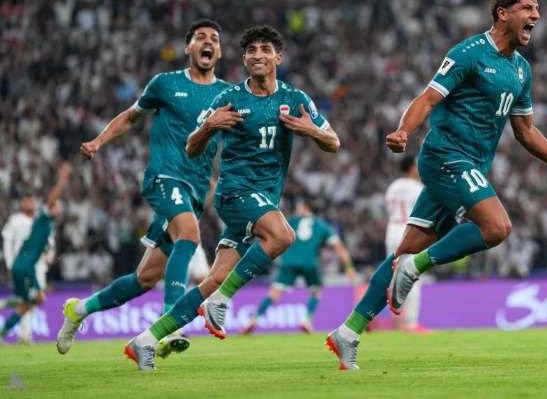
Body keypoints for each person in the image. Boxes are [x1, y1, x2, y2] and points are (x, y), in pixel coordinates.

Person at [326, 0, 547, 370]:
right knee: (497, 227)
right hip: (446, 157)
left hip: (469, 165)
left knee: (403, 252)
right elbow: (428, 97)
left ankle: (348, 332)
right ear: (503, 13)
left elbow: (525, 131)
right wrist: (404, 130)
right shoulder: (469, 53)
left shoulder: (521, 70)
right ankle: (416, 268)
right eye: (527, 8)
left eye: (537, 8)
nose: (536, 15)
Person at [125, 24, 340, 370]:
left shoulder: (295, 99)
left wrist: (310, 130)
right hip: (235, 193)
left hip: (264, 199)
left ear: (278, 57)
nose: (258, 55)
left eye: (265, 49)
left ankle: (146, 340)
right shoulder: (229, 99)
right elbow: (192, 147)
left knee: (214, 279)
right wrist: (209, 126)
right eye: (251, 50)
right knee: (283, 235)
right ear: (243, 59)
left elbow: (333, 142)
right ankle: (221, 300)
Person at [56, 19, 236, 358]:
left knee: (145, 278)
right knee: (189, 236)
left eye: (214, 38)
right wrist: (98, 142)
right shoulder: (165, 84)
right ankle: (170, 324)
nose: (207, 42)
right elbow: (130, 116)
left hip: (196, 190)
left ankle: (78, 310)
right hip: (164, 177)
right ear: (188, 48)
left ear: (220, 51)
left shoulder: (228, 94)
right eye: (200, 37)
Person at [242, 198, 356, 335]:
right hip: (310, 263)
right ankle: (307, 321)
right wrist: (349, 267)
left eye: (300, 207)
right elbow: (339, 247)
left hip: (288, 262)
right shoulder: (322, 226)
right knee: (316, 292)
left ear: (305, 208)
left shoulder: (292, 221)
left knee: (274, 293)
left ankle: (253, 320)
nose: (298, 209)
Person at [1, 164, 71, 342]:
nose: (59, 208)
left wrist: (49, 255)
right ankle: (20, 332)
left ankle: (2, 325)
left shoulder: (46, 224)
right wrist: (61, 181)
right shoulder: (43, 219)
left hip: (23, 265)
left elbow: (47, 245)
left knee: (27, 303)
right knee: (36, 300)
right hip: (26, 267)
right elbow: (51, 199)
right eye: (57, 206)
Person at [384, 156, 427, 332]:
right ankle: (411, 323)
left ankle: (391, 319)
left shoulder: (392, 187)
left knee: (392, 275)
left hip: (392, 230)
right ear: (411, 168)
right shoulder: (417, 188)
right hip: (409, 230)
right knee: (412, 273)